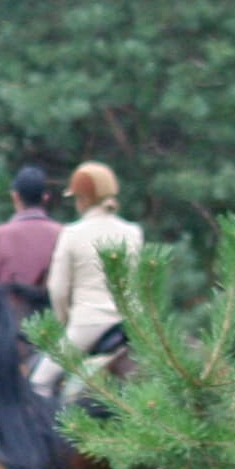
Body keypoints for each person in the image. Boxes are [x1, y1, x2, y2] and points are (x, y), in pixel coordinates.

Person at [46, 161, 146, 383]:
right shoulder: (133, 232)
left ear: (83, 200)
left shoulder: (71, 233)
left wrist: (65, 323)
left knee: (39, 383)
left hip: (88, 325)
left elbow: (58, 290)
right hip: (132, 326)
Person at [0, 165, 64, 296]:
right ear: (45, 197)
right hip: (52, 314)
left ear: (15, 196)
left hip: (8, 314)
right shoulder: (63, 234)